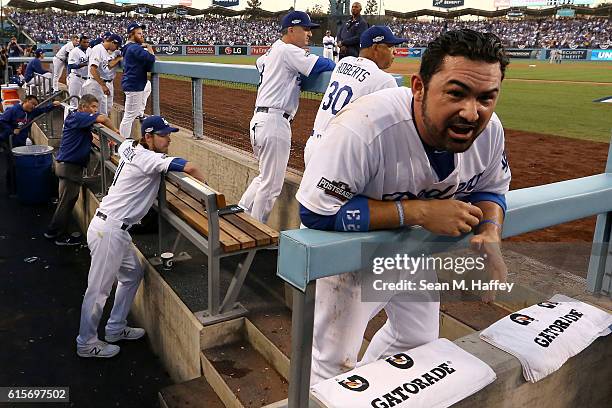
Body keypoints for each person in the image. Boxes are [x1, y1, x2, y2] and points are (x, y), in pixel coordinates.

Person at [296, 29, 511, 385]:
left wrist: (490, 230)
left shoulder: (490, 132)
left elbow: (491, 189)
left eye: (487, 98)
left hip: (408, 246)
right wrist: (420, 212)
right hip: (350, 252)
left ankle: (368, 394)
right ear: (419, 87)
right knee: (334, 363)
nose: (472, 113)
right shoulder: (364, 128)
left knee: (416, 341)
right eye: (456, 93)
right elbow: (316, 212)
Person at [76, 115, 206, 358]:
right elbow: (191, 168)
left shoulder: (130, 146)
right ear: (148, 136)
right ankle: (86, 342)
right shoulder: (149, 157)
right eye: (163, 135)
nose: (168, 139)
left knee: (132, 273)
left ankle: (115, 328)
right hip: (109, 230)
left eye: (169, 134)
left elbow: (123, 142)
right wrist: (208, 191)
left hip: (115, 228)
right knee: (98, 290)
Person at [238, 11, 335, 224]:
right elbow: (326, 66)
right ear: (291, 30)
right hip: (274, 122)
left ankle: (240, 213)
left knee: (264, 177)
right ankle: (256, 231)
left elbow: (259, 62)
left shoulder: (274, 50)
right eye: (306, 29)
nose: (310, 34)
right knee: (271, 185)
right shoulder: (287, 50)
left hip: (260, 120)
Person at [304, 26, 406, 166]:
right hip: (337, 155)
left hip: (313, 146)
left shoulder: (343, 63)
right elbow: (393, 131)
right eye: (390, 47)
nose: (394, 52)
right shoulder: (385, 80)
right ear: (375, 48)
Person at [44, 94, 118, 245]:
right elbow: (103, 119)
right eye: (92, 107)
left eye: (96, 107)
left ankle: (54, 231)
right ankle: (57, 234)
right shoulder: (78, 117)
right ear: (83, 107)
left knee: (65, 201)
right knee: (66, 203)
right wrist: (117, 133)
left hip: (67, 166)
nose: (94, 110)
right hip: (69, 167)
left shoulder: (77, 119)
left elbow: (89, 135)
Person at [0, 96, 61, 195]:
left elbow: (42, 110)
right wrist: (11, 130)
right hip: (9, 140)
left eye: (35, 105)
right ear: (26, 101)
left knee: (18, 163)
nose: (33, 106)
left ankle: (19, 186)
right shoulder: (13, 110)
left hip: (20, 141)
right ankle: (11, 189)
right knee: (11, 164)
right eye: (32, 103)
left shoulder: (31, 112)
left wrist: (53, 105)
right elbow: (2, 121)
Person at [119, 22, 155, 139]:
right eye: (139, 33)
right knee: (129, 116)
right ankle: (122, 143)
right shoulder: (134, 48)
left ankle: (140, 112)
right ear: (131, 34)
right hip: (133, 85)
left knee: (147, 85)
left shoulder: (128, 47)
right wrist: (149, 48)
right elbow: (151, 58)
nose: (142, 36)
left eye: (142, 33)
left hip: (133, 83)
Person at [82, 34, 123, 116]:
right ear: (113, 42)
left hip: (101, 84)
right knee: (94, 113)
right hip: (95, 84)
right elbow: (93, 69)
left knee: (104, 112)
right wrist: (103, 85)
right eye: (117, 46)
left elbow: (108, 67)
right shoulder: (98, 49)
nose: (116, 49)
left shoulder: (105, 51)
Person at [67, 35, 90, 111]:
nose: (86, 44)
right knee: (73, 101)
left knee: (85, 102)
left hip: (86, 79)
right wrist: (85, 64)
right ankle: (69, 121)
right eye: (84, 42)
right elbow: (71, 65)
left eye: (87, 42)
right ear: (80, 42)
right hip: (76, 78)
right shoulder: (74, 51)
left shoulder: (90, 50)